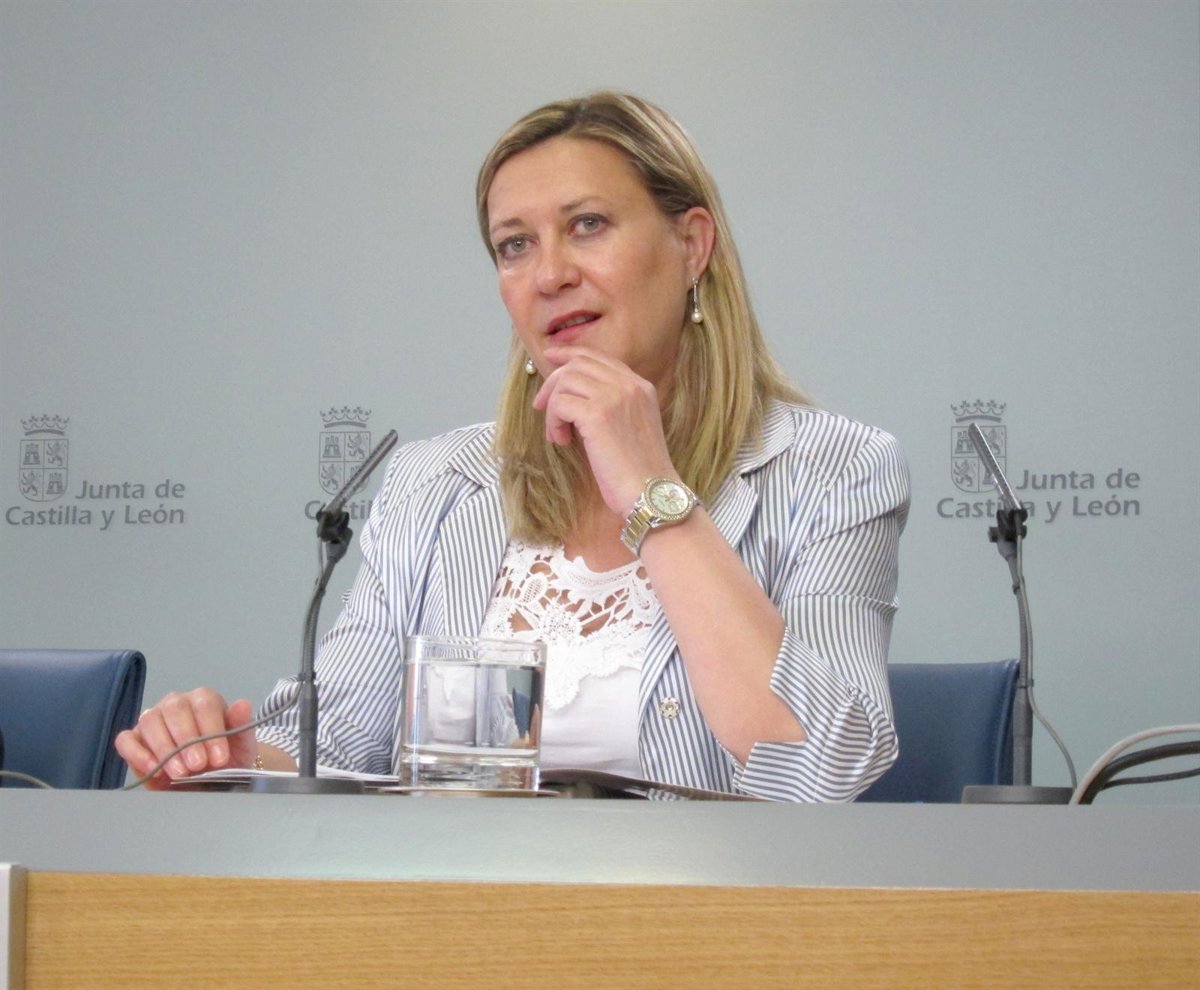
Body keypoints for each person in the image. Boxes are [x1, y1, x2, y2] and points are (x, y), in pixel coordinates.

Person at [116, 92, 909, 802]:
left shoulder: (833, 471)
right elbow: (340, 738)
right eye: (514, 245)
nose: (549, 274)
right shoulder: (437, 482)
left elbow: (821, 763)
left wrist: (651, 489)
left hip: (696, 912)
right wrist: (227, 760)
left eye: (588, 225)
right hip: (454, 907)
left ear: (691, 245)